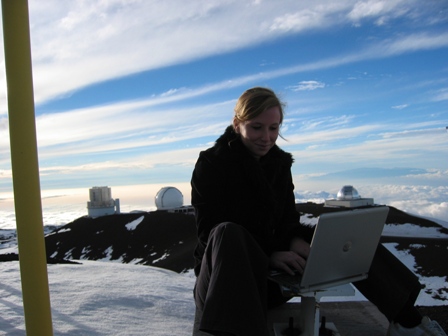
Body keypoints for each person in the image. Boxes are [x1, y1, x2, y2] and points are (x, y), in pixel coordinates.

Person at [190, 87, 446, 336]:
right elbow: (209, 233)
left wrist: (296, 241)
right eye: (257, 127)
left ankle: (408, 322)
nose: (267, 137)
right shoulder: (212, 164)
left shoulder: (278, 165)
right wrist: (268, 254)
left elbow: (288, 219)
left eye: (274, 128)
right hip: (224, 283)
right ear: (237, 124)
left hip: (273, 282)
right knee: (227, 232)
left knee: (344, 237)